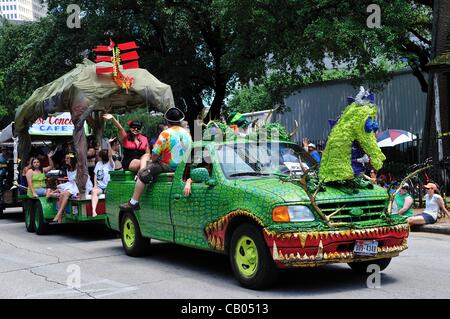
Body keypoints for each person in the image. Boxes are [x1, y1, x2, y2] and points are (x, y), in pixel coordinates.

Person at [120, 107, 192, 211]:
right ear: (180, 121)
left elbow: (154, 156)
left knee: (143, 172)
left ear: (167, 121)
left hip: (169, 166)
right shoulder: (187, 134)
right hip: (184, 167)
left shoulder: (166, 133)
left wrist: (153, 161)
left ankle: (134, 202)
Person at [51, 153, 93, 223]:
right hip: (73, 185)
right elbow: (71, 181)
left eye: (68, 158)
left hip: (82, 185)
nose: (65, 159)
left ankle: (59, 214)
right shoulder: (69, 168)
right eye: (65, 158)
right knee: (62, 194)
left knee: (66, 193)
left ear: (72, 159)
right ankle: (60, 215)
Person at [91, 146, 114, 217]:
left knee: (109, 194)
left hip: (108, 186)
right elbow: (95, 175)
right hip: (100, 187)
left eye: (100, 156)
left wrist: (109, 144)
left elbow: (110, 156)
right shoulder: (99, 163)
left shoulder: (111, 164)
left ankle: (110, 212)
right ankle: (94, 210)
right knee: (94, 192)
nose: (99, 157)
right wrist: (95, 185)